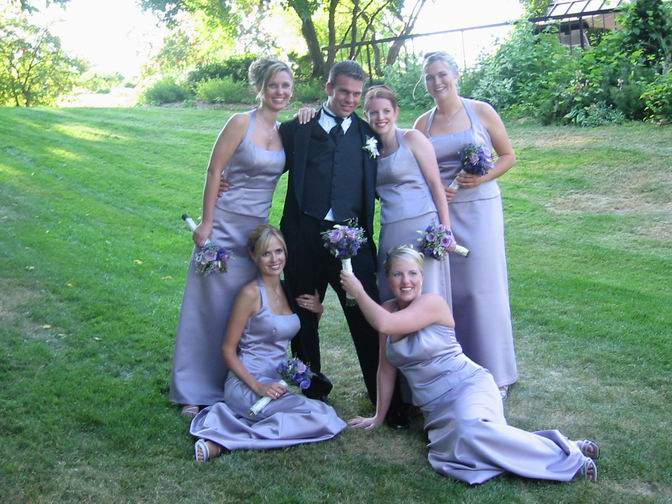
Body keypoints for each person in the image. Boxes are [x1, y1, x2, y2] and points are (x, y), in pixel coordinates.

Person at [340, 245, 600, 484]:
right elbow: (386, 369)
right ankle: (564, 445)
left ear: (422, 277)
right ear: (388, 278)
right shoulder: (386, 310)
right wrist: (378, 416)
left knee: (472, 431)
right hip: (436, 408)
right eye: (398, 274)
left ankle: (569, 456)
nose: (406, 281)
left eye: (412, 273)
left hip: (468, 387)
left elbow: (386, 325)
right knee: (461, 450)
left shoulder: (432, 303)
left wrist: (359, 292)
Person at [278, 60, 406, 427]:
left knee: (366, 316)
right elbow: (262, 164)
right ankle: (312, 393)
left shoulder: (369, 135)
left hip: (353, 240)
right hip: (303, 237)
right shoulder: (298, 129)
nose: (350, 99)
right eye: (344, 92)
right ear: (329, 88)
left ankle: (385, 402)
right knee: (304, 315)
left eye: (356, 94)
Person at [170, 58, 294, 418]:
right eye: (273, 85)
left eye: (286, 86)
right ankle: (191, 390)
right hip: (224, 226)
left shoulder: (284, 133)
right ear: (261, 88)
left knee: (239, 312)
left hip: (255, 237)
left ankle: (230, 384)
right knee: (205, 309)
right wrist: (207, 222)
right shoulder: (241, 122)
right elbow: (214, 170)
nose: (280, 92)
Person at [190, 225, 346, 462]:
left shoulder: (288, 290)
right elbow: (227, 350)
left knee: (322, 414)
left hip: (275, 384)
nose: (274, 259)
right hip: (246, 382)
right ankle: (221, 443)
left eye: (278, 251)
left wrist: (318, 310)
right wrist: (258, 387)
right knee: (321, 417)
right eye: (266, 253)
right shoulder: (250, 294)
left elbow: (295, 330)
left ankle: (233, 427)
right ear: (253, 256)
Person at [414, 51, 517, 398]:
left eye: (442, 74)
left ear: (455, 75)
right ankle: (458, 368)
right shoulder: (422, 124)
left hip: (480, 210)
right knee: (451, 290)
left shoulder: (481, 111)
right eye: (429, 77)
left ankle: (496, 373)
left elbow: (508, 156)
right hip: (442, 215)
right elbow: (418, 170)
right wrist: (433, 190)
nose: (436, 82)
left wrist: (482, 177)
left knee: (484, 289)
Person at [362, 84, 452, 304]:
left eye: (386, 111)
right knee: (391, 286)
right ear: (366, 116)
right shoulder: (368, 150)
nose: (380, 117)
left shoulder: (412, 139)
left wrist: (446, 230)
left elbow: (435, 184)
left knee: (426, 288)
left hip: (422, 225)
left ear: (396, 112)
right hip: (391, 227)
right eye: (374, 112)